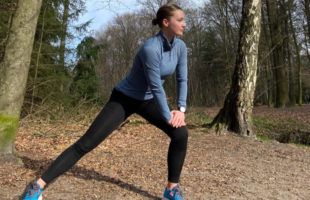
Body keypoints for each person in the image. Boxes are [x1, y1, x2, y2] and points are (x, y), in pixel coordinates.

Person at [23, 3, 188, 200]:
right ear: (165, 22)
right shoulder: (150, 49)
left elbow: (182, 79)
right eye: (180, 20)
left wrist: (181, 109)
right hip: (124, 99)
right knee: (86, 143)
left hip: (149, 100)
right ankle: (37, 186)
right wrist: (168, 115)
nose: (184, 24)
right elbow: (155, 85)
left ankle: (171, 188)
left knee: (181, 134)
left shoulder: (180, 47)